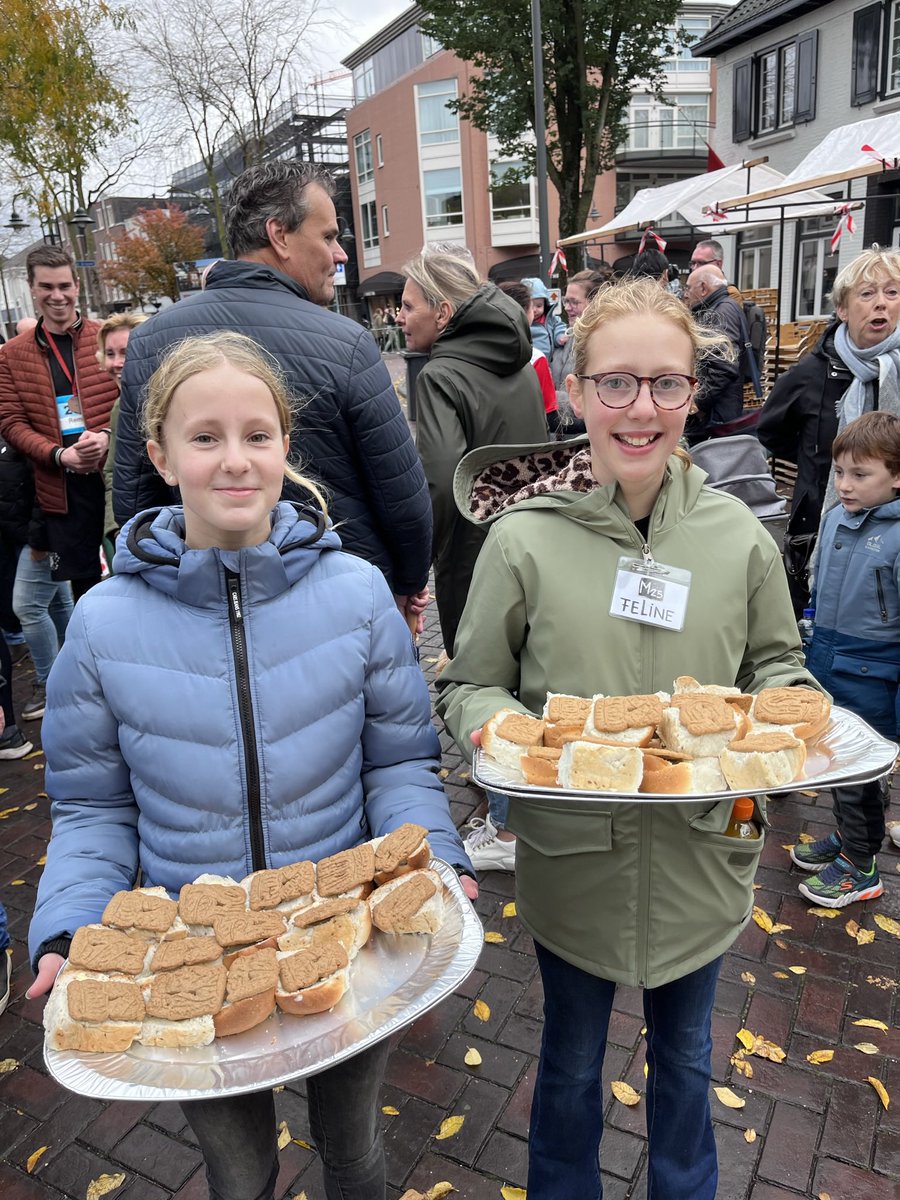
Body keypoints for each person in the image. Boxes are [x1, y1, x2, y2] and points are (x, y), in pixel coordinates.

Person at [27, 330, 475, 1200]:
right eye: (205, 438)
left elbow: (400, 764)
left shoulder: (356, 597)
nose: (235, 461)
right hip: (194, 960)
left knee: (353, 1154)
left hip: (343, 943)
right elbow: (92, 808)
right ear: (159, 454)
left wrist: (436, 863)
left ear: (284, 448)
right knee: (239, 1175)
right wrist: (71, 927)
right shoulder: (102, 624)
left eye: (257, 435)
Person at [436, 278, 815, 1200]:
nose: (641, 408)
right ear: (573, 392)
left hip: (707, 851)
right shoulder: (522, 540)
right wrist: (494, 727)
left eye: (667, 384)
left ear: (695, 393)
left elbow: (779, 667)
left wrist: (794, 713)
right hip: (573, 863)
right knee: (567, 1066)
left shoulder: (739, 536)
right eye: (616, 383)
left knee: (688, 1063)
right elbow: (472, 679)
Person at [113, 161, 432, 634]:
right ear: (279, 235)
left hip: (206, 610)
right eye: (328, 236)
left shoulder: (149, 340)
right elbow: (402, 497)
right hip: (339, 605)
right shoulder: (346, 343)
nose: (340, 254)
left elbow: (137, 500)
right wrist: (406, 587)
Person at [397, 248, 547, 653]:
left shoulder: (438, 376)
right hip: (534, 543)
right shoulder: (523, 365)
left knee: (474, 684)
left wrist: (418, 565)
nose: (399, 317)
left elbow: (442, 484)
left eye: (408, 306)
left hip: (474, 558)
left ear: (442, 313)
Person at [791, 411, 900, 906]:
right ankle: (847, 838)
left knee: (863, 771)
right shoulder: (837, 517)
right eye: (839, 472)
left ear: (896, 476)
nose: (846, 485)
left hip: (874, 672)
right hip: (828, 657)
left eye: (861, 474)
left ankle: (862, 864)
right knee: (836, 761)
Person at [758, 246, 900, 613]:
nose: (880, 304)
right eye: (867, 294)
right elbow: (772, 433)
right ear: (842, 309)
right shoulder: (810, 374)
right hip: (819, 529)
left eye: (892, 292)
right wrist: (819, 463)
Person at [0, 246, 119, 599]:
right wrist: (58, 455)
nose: (57, 296)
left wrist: (108, 437)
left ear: (77, 286)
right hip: (62, 492)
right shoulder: (11, 354)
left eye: (64, 286)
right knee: (85, 590)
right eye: (47, 287)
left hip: (114, 481)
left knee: (129, 579)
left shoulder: (107, 339)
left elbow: (137, 403)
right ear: (32, 288)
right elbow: (10, 421)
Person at [1, 431, 73, 724]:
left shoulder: (22, 426)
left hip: (40, 536)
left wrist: (41, 538)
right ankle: (77, 673)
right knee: (57, 602)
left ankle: (50, 686)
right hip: (22, 536)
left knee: (28, 607)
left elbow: (47, 480)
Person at [96, 312, 148, 545]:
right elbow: (112, 472)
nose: (116, 363)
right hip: (135, 536)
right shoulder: (120, 406)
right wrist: (116, 531)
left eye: (125, 353)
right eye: (110, 354)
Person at [682, 264, 744, 443]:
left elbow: (723, 367)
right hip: (719, 410)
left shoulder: (720, 312)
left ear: (703, 288)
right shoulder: (725, 307)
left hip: (716, 415)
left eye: (689, 288)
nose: (686, 294)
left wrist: (698, 403)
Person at [498, 282, 560, 434]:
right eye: (532, 307)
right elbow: (550, 417)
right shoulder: (535, 358)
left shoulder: (474, 354)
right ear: (524, 314)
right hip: (527, 444)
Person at [552, 270, 608, 436]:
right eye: (566, 301)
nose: (567, 308)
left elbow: (595, 402)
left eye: (574, 302)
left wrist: (548, 398)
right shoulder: (569, 335)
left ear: (594, 303)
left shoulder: (603, 343)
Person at [521, 277, 566, 359]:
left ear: (545, 304)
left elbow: (558, 327)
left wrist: (559, 337)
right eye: (530, 306)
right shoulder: (522, 323)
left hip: (550, 361)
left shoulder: (550, 319)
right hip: (531, 361)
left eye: (539, 306)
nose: (534, 310)